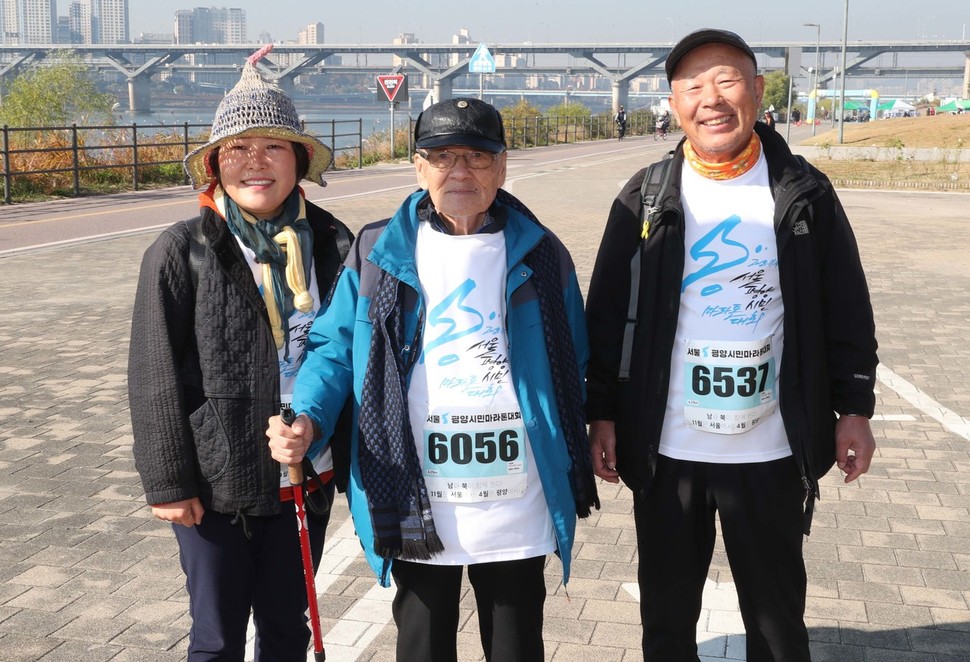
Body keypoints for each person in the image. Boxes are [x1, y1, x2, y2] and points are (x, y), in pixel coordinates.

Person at [266, 97, 599, 662]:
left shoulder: (543, 254)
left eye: (477, 156)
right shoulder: (378, 251)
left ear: (502, 166)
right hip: (413, 487)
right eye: (443, 157)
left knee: (518, 644)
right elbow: (333, 349)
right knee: (421, 645)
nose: (460, 171)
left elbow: (576, 356)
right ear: (418, 166)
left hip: (516, 493)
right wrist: (310, 417)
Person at [585, 29, 878, 662]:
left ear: (758, 91)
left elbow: (845, 307)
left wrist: (854, 408)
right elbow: (605, 316)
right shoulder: (646, 194)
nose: (710, 99)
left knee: (776, 628)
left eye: (726, 80)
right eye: (692, 85)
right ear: (673, 101)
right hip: (667, 454)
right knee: (665, 625)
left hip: (771, 451)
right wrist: (601, 412)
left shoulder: (804, 192)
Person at [128, 44, 354, 660]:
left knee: (288, 630)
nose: (256, 163)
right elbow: (153, 376)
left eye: (273, 147)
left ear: (299, 159)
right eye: (238, 149)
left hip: (308, 470)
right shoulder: (180, 250)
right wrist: (168, 482)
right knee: (218, 636)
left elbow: (352, 353)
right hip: (214, 481)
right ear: (214, 166)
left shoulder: (334, 243)